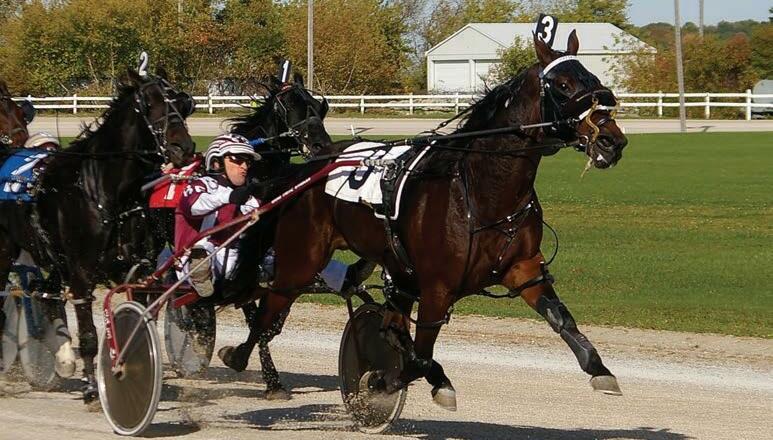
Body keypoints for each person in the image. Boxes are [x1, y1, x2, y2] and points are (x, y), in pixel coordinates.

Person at [175, 134, 261, 297]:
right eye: (237, 160)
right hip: (193, 257)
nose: (244, 167)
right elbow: (192, 206)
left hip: (234, 256)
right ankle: (200, 269)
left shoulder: (246, 195)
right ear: (216, 163)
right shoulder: (201, 185)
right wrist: (229, 197)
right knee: (204, 250)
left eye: (248, 162)